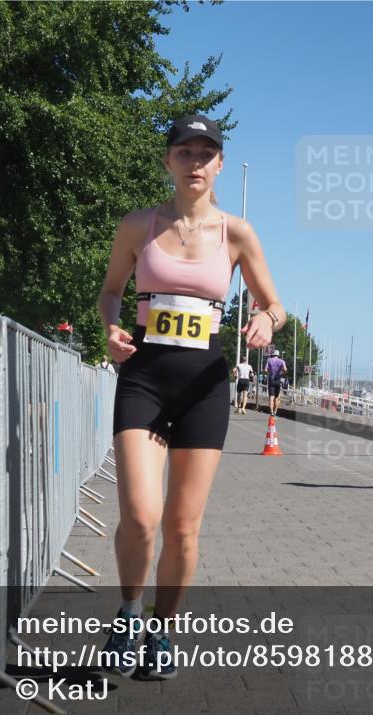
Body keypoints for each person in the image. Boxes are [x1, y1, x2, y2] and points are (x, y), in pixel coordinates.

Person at [96, 114, 285, 679]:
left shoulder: (238, 233)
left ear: (220, 164)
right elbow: (110, 293)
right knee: (140, 516)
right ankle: (128, 613)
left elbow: (274, 304)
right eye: (185, 152)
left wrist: (265, 323)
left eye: (206, 153)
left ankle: (161, 630)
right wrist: (110, 329)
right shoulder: (138, 226)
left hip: (204, 384)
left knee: (182, 526)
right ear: (168, 161)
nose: (195, 162)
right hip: (144, 375)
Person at [264, 349, 287, 416]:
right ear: (278, 355)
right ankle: (275, 412)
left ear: (272, 355)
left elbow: (265, 370)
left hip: (271, 380)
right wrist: (282, 372)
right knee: (276, 397)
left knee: (271, 397)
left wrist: (269, 373)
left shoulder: (269, 360)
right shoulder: (282, 361)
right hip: (278, 380)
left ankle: (271, 411)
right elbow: (285, 370)